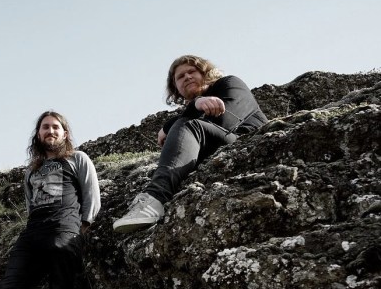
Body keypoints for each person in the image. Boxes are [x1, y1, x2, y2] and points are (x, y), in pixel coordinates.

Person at [0, 110, 101, 289]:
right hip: (32, 235)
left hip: (64, 231)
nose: (50, 131)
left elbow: (92, 195)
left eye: (56, 127)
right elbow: (30, 205)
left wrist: (82, 228)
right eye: (45, 127)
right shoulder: (31, 170)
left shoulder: (78, 159)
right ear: (38, 134)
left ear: (64, 133)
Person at [113, 55, 268, 233]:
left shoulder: (229, 83)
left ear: (205, 73)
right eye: (180, 77)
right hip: (218, 145)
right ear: (176, 88)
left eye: (192, 71)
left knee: (187, 125)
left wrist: (174, 122)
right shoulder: (192, 113)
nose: (187, 77)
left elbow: (225, 121)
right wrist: (194, 107)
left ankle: (155, 198)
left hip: (248, 142)